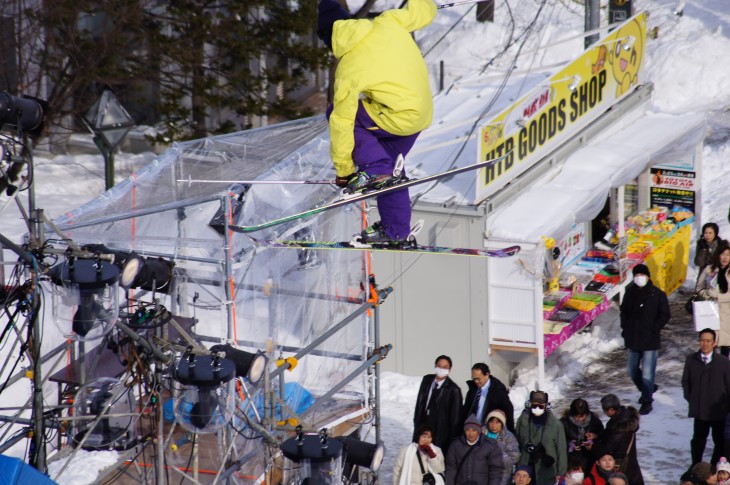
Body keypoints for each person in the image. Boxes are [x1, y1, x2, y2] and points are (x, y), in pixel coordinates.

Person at [316, 0, 437, 243]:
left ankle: (376, 170)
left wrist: (345, 170)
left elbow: (342, 121)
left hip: (397, 116)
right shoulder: (390, 21)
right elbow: (424, 11)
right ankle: (396, 230)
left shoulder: (350, 65)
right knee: (392, 167)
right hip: (421, 113)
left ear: (331, 37)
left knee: (337, 113)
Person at [619, 263, 670, 415]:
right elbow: (624, 312)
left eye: (641, 275)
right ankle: (647, 388)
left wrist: (654, 328)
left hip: (650, 340)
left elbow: (665, 315)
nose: (638, 278)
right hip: (633, 338)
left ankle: (647, 400)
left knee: (648, 373)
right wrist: (625, 327)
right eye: (636, 276)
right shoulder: (629, 293)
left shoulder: (658, 295)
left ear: (648, 277)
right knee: (632, 370)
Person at [681, 328, 730, 466]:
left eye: (708, 341)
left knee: (719, 441)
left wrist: (725, 406)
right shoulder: (691, 360)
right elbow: (686, 382)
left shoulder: (724, 362)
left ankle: (714, 467)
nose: (705, 344)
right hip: (700, 410)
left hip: (718, 412)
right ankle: (696, 466)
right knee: (698, 441)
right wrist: (691, 398)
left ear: (714, 343)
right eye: (702, 340)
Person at [414, 355, 464, 454]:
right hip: (422, 429)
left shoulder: (453, 390)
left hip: (440, 434)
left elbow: (455, 419)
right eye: (439, 366)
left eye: (445, 367)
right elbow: (420, 405)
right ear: (435, 366)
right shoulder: (427, 380)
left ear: (450, 369)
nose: (441, 369)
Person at [515, 391, 568, 485]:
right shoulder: (522, 421)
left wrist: (561, 471)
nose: (537, 408)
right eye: (534, 405)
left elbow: (561, 449)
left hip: (546, 470)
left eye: (540, 406)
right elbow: (517, 442)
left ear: (546, 406)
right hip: (526, 468)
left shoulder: (556, 425)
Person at [591, 394, 644, 485]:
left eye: (604, 410)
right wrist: (597, 436)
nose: (604, 412)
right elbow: (609, 434)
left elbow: (607, 448)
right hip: (630, 461)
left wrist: (592, 447)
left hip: (622, 465)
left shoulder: (618, 427)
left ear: (611, 410)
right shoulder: (625, 418)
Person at [444, 414, 504, 485]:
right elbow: (451, 468)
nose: (470, 433)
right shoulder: (455, 445)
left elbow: (495, 471)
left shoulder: (490, 446)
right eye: (467, 430)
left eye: (474, 430)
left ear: (478, 431)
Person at [696, 243, 730, 357]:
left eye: (728, 255)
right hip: (710, 312)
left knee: (725, 347)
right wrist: (706, 295)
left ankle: (724, 372)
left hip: (727, 315)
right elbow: (699, 287)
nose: (725, 257)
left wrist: (718, 297)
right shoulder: (710, 269)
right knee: (710, 344)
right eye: (723, 254)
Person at [463, 363, 515, 432]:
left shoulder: (498, 391)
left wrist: (510, 434)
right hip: (471, 431)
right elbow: (466, 410)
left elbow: (508, 411)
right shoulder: (473, 390)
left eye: (478, 379)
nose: (476, 382)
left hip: (488, 433)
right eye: (474, 379)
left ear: (487, 374)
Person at [561, 398, 604, 473]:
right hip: (572, 460)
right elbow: (559, 440)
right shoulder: (564, 422)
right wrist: (569, 445)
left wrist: (595, 437)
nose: (580, 419)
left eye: (582, 416)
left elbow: (604, 435)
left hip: (590, 458)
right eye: (577, 416)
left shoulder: (594, 421)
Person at [484, 409, 520, 485]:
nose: (494, 425)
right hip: (482, 476)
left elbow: (514, 458)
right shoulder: (481, 434)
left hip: (501, 478)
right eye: (491, 422)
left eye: (497, 422)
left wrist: (497, 454)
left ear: (502, 423)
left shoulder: (508, 437)